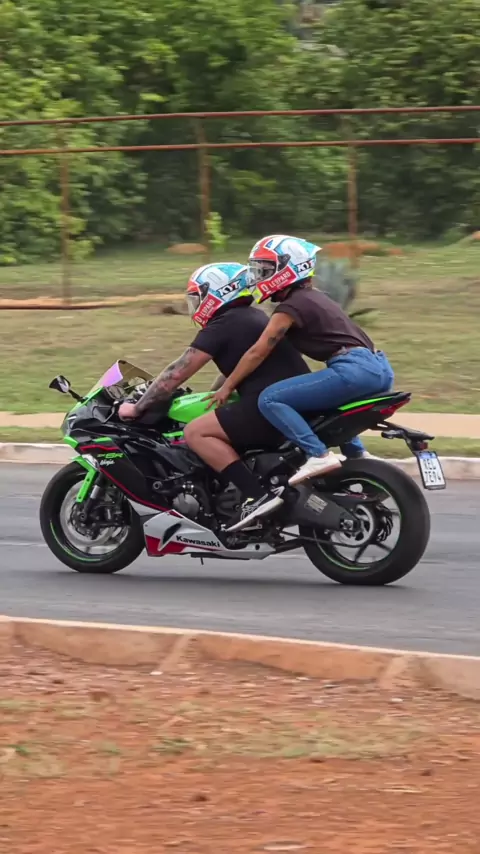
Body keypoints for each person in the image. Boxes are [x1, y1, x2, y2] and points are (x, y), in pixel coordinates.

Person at [207, 235, 394, 527]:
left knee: (270, 398)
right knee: (325, 408)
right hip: (378, 367)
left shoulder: (289, 308)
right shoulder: (316, 297)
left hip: (353, 369)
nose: (259, 276)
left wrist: (227, 387)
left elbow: (257, 352)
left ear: (288, 269)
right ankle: (358, 457)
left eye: (265, 269)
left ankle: (318, 454)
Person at [118, 261, 310, 529]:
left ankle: (256, 496)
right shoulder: (252, 317)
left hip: (269, 406)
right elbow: (237, 369)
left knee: (196, 432)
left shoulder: (224, 323)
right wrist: (209, 396)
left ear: (218, 292)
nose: (195, 305)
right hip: (289, 402)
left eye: (198, 297)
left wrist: (137, 407)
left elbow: (177, 371)